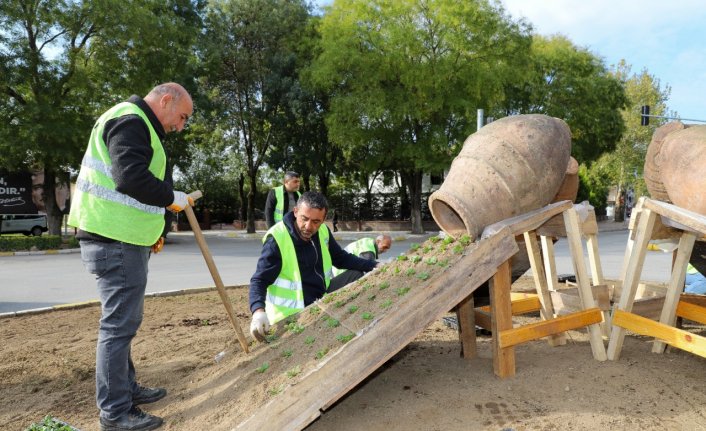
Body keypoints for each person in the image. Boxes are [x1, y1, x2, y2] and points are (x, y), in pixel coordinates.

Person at [68, 82, 194, 431]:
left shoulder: (134, 120)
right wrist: (171, 198)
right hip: (114, 239)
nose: (180, 126)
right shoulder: (131, 119)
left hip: (120, 238)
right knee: (118, 327)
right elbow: (130, 177)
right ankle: (115, 413)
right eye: (181, 117)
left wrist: (156, 225)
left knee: (123, 324)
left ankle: (126, 390)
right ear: (166, 100)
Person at [249, 191, 377, 340]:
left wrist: (374, 265)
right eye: (304, 219)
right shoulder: (277, 239)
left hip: (322, 297)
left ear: (323, 219)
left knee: (360, 274)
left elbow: (341, 259)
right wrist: (258, 312)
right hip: (293, 314)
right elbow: (259, 280)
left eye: (316, 221)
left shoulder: (322, 231)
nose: (309, 226)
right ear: (296, 212)